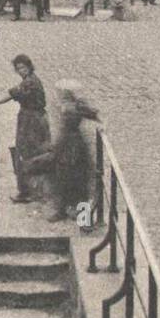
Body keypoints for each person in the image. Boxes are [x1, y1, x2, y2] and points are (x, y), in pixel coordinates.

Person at [0, 54, 52, 203]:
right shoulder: (32, 80)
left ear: (29, 67)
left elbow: (11, 94)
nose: (21, 71)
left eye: (23, 68)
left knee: (25, 153)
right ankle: (35, 189)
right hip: (36, 119)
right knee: (35, 151)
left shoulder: (29, 83)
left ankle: (26, 192)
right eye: (18, 69)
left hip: (31, 121)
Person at [47, 81, 100, 223]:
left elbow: (95, 114)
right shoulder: (64, 105)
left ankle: (80, 215)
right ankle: (64, 209)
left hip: (73, 143)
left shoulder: (76, 105)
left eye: (63, 92)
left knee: (77, 178)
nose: (60, 94)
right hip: (65, 142)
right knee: (63, 176)